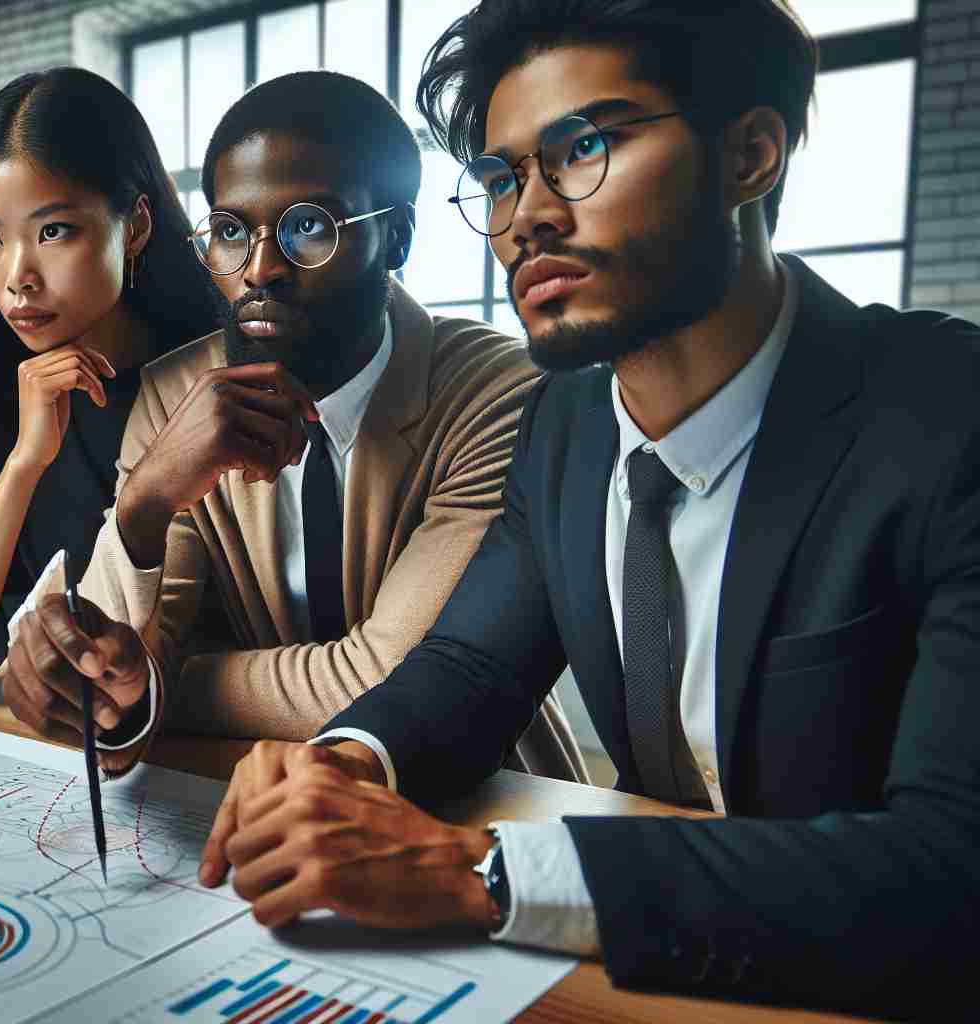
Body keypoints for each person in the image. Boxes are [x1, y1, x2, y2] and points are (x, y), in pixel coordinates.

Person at [196, 1, 980, 1016]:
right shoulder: (564, 418)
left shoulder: (945, 417)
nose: (527, 216)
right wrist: (343, 767)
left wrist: (482, 874)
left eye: (584, 147)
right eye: (500, 176)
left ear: (748, 153)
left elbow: (950, 872)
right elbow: (473, 666)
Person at [0, 72, 582, 781]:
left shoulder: (499, 391)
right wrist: (144, 502)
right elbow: (104, 675)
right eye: (230, 231)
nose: (260, 270)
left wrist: (158, 689)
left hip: (479, 802)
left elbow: (391, 676)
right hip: (252, 795)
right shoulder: (173, 393)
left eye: (310, 227)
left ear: (396, 238)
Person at [0, 68, 222, 706]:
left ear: (135, 226)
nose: (16, 278)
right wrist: (24, 463)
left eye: (53, 231)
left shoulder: (210, 388)